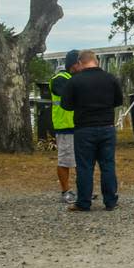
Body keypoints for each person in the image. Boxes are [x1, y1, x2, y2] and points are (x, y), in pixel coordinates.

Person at [60, 49, 124, 212]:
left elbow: (66, 105)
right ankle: (110, 201)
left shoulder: (75, 81)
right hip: (107, 127)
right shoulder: (110, 79)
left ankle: (84, 202)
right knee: (108, 165)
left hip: (84, 129)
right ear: (97, 61)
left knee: (85, 167)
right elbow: (118, 101)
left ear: (80, 63)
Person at [50, 49, 81, 204]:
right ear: (74, 64)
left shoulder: (75, 77)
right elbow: (69, 94)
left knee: (81, 160)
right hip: (65, 126)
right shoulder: (60, 78)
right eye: (80, 63)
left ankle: (82, 190)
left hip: (79, 125)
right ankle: (65, 191)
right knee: (65, 160)